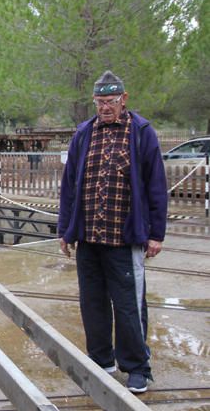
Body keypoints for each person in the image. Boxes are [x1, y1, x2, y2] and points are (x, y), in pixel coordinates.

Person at [58, 70, 167, 394]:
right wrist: (65, 230)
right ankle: (101, 359)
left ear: (124, 99)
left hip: (124, 239)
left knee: (129, 306)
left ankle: (136, 367)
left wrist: (156, 233)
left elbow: (156, 185)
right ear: (94, 101)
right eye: (101, 101)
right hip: (88, 237)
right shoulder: (83, 134)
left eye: (112, 101)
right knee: (92, 303)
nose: (106, 107)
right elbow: (69, 187)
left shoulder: (142, 132)